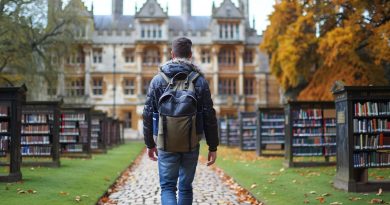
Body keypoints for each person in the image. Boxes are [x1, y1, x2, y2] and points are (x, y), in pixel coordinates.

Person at [143, 37, 219, 205]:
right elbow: (209, 116)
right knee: (185, 187)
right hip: (191, 142)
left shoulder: (158, 80)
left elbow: (147, 114)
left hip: (165, 141)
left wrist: (149, 144)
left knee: (168, 187)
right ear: (190, 55)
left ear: (172, 54)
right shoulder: (199, 81)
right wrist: (213, 146)